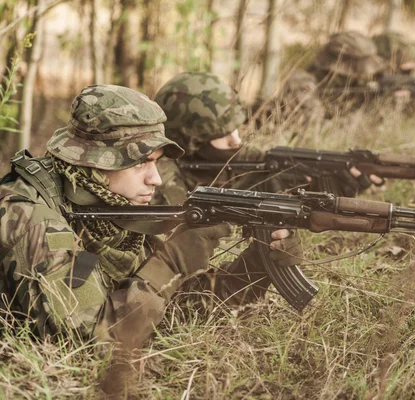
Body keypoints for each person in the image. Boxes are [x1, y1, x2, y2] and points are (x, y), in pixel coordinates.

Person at [0, 84, 303, 350]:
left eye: (156, 163)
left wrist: (255, 266)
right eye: (140, 164)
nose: (155, 179)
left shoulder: (108, 206)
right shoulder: (33, 217)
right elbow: (92, 341)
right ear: (94, 163)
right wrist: (169, 263)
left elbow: (165, 311)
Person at [152, 72, 382, 206]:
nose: (236, 140)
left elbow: (269, 170)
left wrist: (323, 184)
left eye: (236, 129)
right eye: (222, 135)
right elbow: (182, 231)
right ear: (188, 141)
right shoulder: (160, 178)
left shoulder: (231, 156)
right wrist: (260, 190)